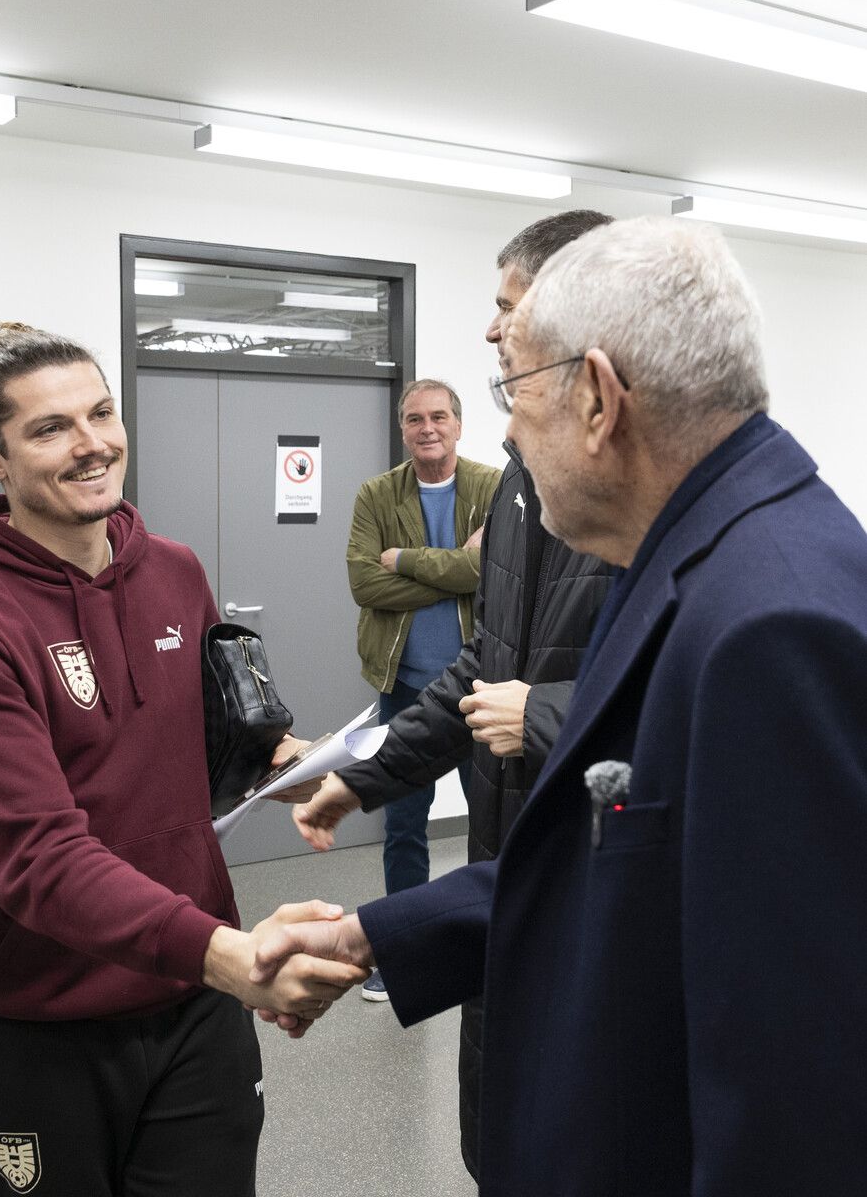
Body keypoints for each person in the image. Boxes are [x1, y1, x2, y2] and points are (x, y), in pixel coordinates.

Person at [254, 217, 867, 1196]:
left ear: (595, 398)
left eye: (513, 391)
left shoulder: (769, 621)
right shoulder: (679, 561)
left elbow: (794, 1079)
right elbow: (611, 868)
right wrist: (375, 935)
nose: (499, 429)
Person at [0, 322, 366, 1197]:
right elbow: (37, 859)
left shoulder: (175, 571)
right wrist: (233, 956)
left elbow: (214, 734)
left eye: (101, 413)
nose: (91, 444)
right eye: (50, 429)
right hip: (44, 1018)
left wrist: (288, 759)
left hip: (193, 1006)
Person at [290, 210, 614, 1169]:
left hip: (594, 898)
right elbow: (483, 661)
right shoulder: (523, 480)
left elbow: (691, 718)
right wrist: (370, 773)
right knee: (497, 1138)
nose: (488, 330)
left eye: (505, 310)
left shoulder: (646, 506)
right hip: (504, 871)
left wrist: (546, 715)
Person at [345, 377, 500, 1000]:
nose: (427, 428)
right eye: (414, 419)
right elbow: (364, 585)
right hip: (403, 688)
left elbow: (495, 575)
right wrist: (457, 570)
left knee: (489, 824)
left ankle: (490, 941)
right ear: (403, 429)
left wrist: (404, 559)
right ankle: (403, 954)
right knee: (403, 827)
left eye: (439, 417)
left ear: (459, 425)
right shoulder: (377, 494)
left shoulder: (496, 487)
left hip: (478, 686)